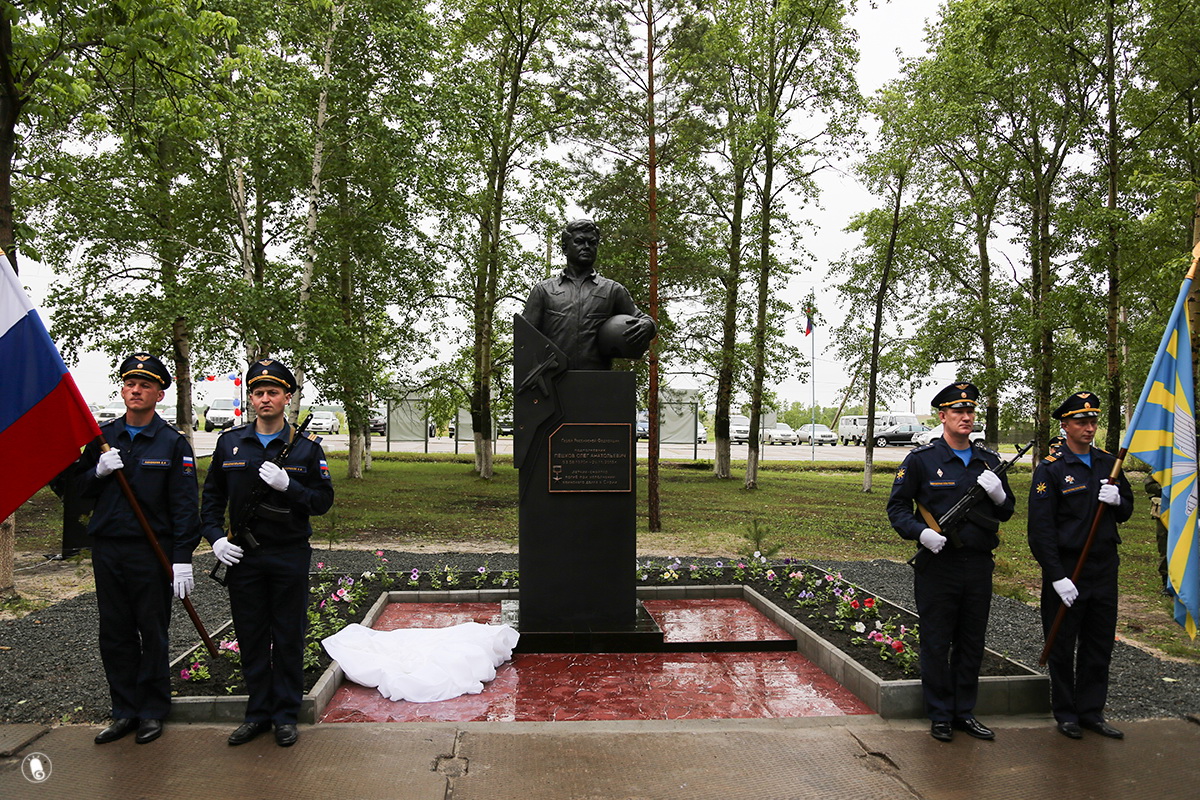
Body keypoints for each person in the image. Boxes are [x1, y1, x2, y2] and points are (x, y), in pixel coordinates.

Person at [201, 359, 334, 747]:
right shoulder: (230, 442)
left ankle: (285, 715)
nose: (264, 399)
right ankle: (257, 712)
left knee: (288, 635)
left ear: (287, 398)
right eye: (258, 392)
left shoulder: (305, 449)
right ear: (251, 399)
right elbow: (211, 499)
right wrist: (215, 539)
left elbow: (322, 501)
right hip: (242, 555)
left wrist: (288, 485)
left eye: (273, 392)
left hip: (289, 554)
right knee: (252, 635)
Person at [78, 353, 200, 745]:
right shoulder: (102, 439)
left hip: (153, 552)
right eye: (130, 383)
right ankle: (124, 710)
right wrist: (96, 471)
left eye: (145, 385)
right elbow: (73, 492)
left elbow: (184, 506)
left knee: (152, 631)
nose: (136, 390)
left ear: (159, 394)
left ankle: (151, 711)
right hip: (109, 549)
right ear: (122, 390)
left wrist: (182, 558)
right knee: (115, 633)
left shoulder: (172, 443)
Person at [887, 382, 1015, 742]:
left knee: (972, 641)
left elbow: (1006, 511)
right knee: (936, 640)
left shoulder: (988, 461)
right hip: (938, 565)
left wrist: (999, 493)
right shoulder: (921, 460)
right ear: (942, 416)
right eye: (958, 411)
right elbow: (897, 508)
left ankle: (964, 711)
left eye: (970, 411)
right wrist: (920, 533)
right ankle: (940, 714)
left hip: (977, 564)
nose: (966, 417)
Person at [1028, 391, 1133, 740]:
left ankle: (1091, 712)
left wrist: (1118, 500)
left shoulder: (1108, 463)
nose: (1089, 428)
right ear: (1065, 425)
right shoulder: (1052, 468)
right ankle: (1066, 712)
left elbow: (1127, 510)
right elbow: (1040, 530)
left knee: (1099, 642)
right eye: (1081, 422)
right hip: (1068, 568)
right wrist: (1056, 576)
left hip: (1103, 567)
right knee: (1062, 642)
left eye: (1093, 421)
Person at [521, 218, 656, 370]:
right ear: (565, 248)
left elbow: (643, 319)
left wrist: (648, 325)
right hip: (554, 383)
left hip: (597, 382)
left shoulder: (612, 290)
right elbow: (525, 338)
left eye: (592, 243)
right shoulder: (543, 290)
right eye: (579, 241)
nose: (586, 247)